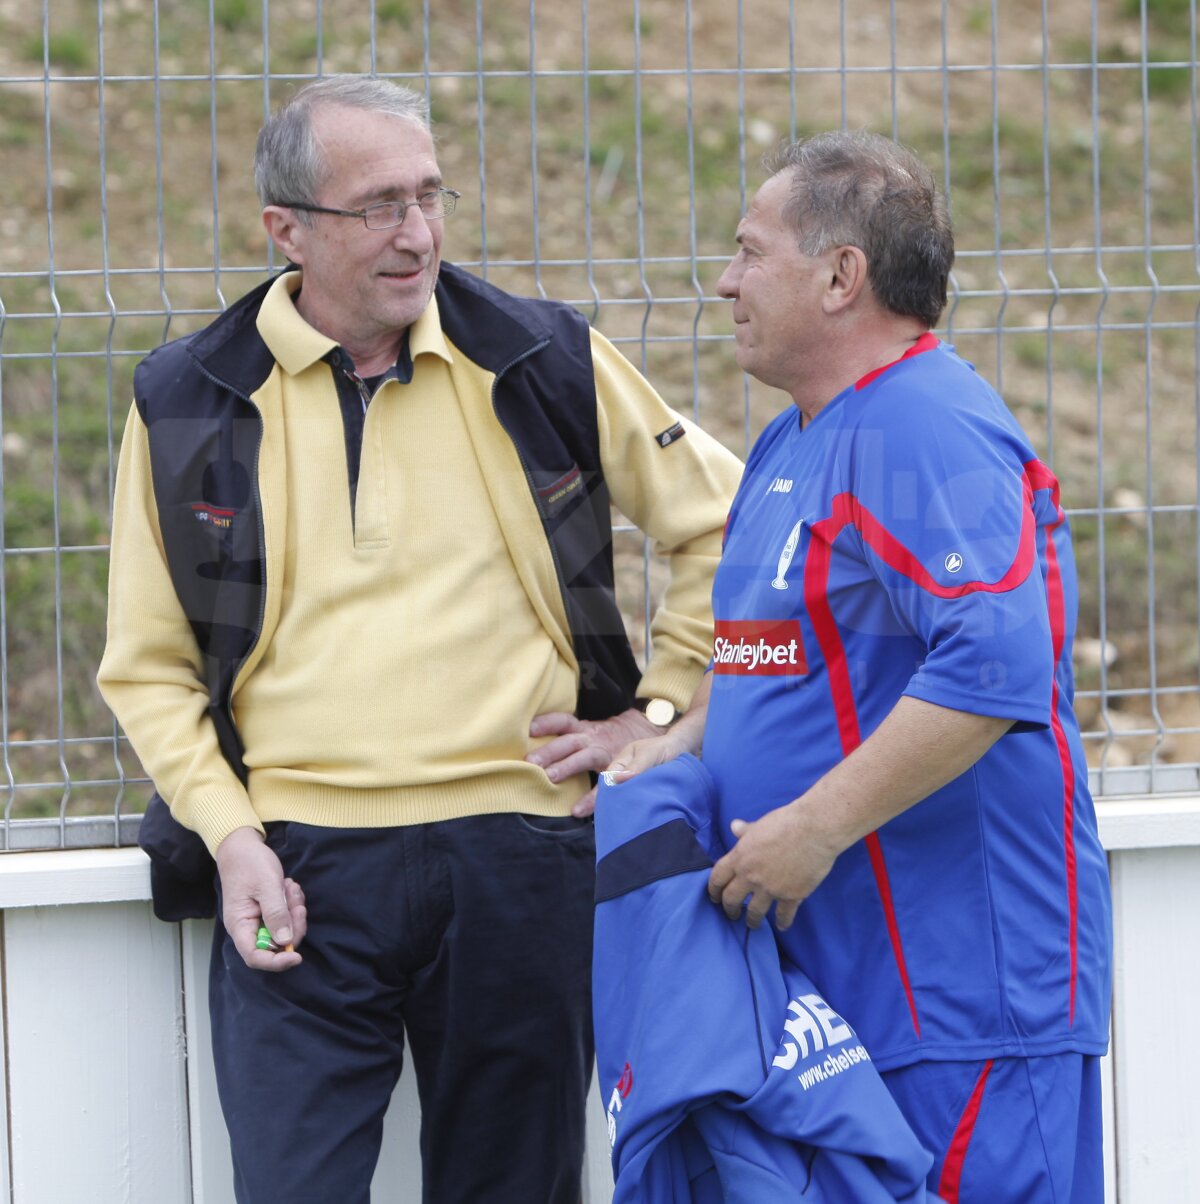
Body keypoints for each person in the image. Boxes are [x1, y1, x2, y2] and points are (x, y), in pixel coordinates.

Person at [97, 74, 742, 1204]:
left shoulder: (541, 358)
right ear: (286, 228)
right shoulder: (187, 398)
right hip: (294, 862)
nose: (420, 233)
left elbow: (730, 525)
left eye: (432, 195)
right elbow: (145, 665)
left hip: (524, 849)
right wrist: (231, 833)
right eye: (380, 205)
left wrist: (660, 719)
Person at [607, 130, 1112, 1202]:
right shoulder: (797, 440)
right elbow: (761, 662)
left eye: (750, 251)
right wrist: (663, 744)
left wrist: (817, 826)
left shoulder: (929, 426)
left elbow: (995, 663)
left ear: (842, 277)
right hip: (842, 993)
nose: (724, 279)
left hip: (964, 997)